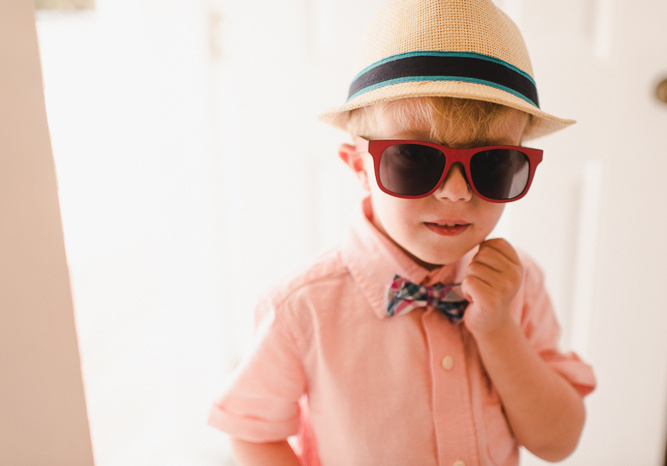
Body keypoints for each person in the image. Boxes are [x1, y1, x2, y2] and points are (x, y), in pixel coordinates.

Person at [208, 0, 596, 464]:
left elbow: (558, 443)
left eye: (492, 162)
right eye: (414, 158)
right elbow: (252, 432)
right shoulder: (301, 306)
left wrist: (498, 330)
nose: (455, 192)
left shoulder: (520, 284)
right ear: (359, 166)